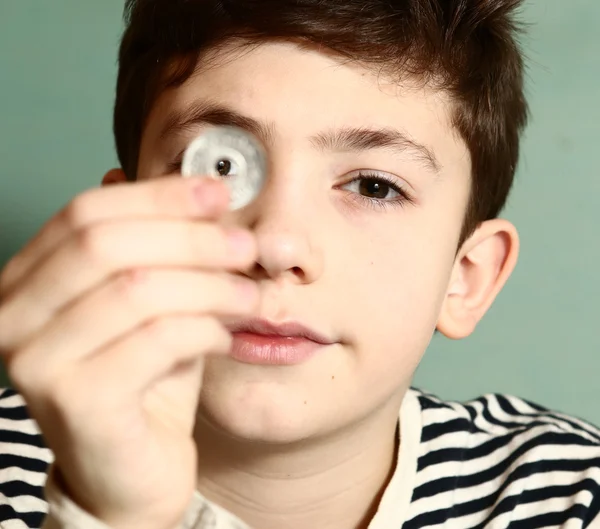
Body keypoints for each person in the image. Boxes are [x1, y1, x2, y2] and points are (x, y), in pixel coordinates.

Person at [1, 1, 599, 528]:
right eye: (221, 167)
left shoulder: (575, 497)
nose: (277, 246)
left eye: (373, 186)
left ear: (465, 277)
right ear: (120, 222)